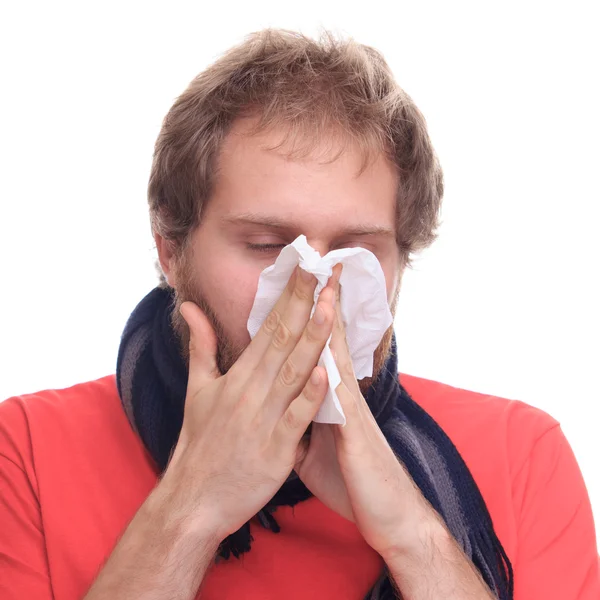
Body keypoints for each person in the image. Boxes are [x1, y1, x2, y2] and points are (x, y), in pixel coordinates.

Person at [0, 28, 598, 600]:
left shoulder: (521, 454)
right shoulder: (26, 450)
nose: (311, 292)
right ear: (171, 250)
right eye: (265, 244)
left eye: (357, 252)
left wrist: (413, 536)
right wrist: (189, 511)